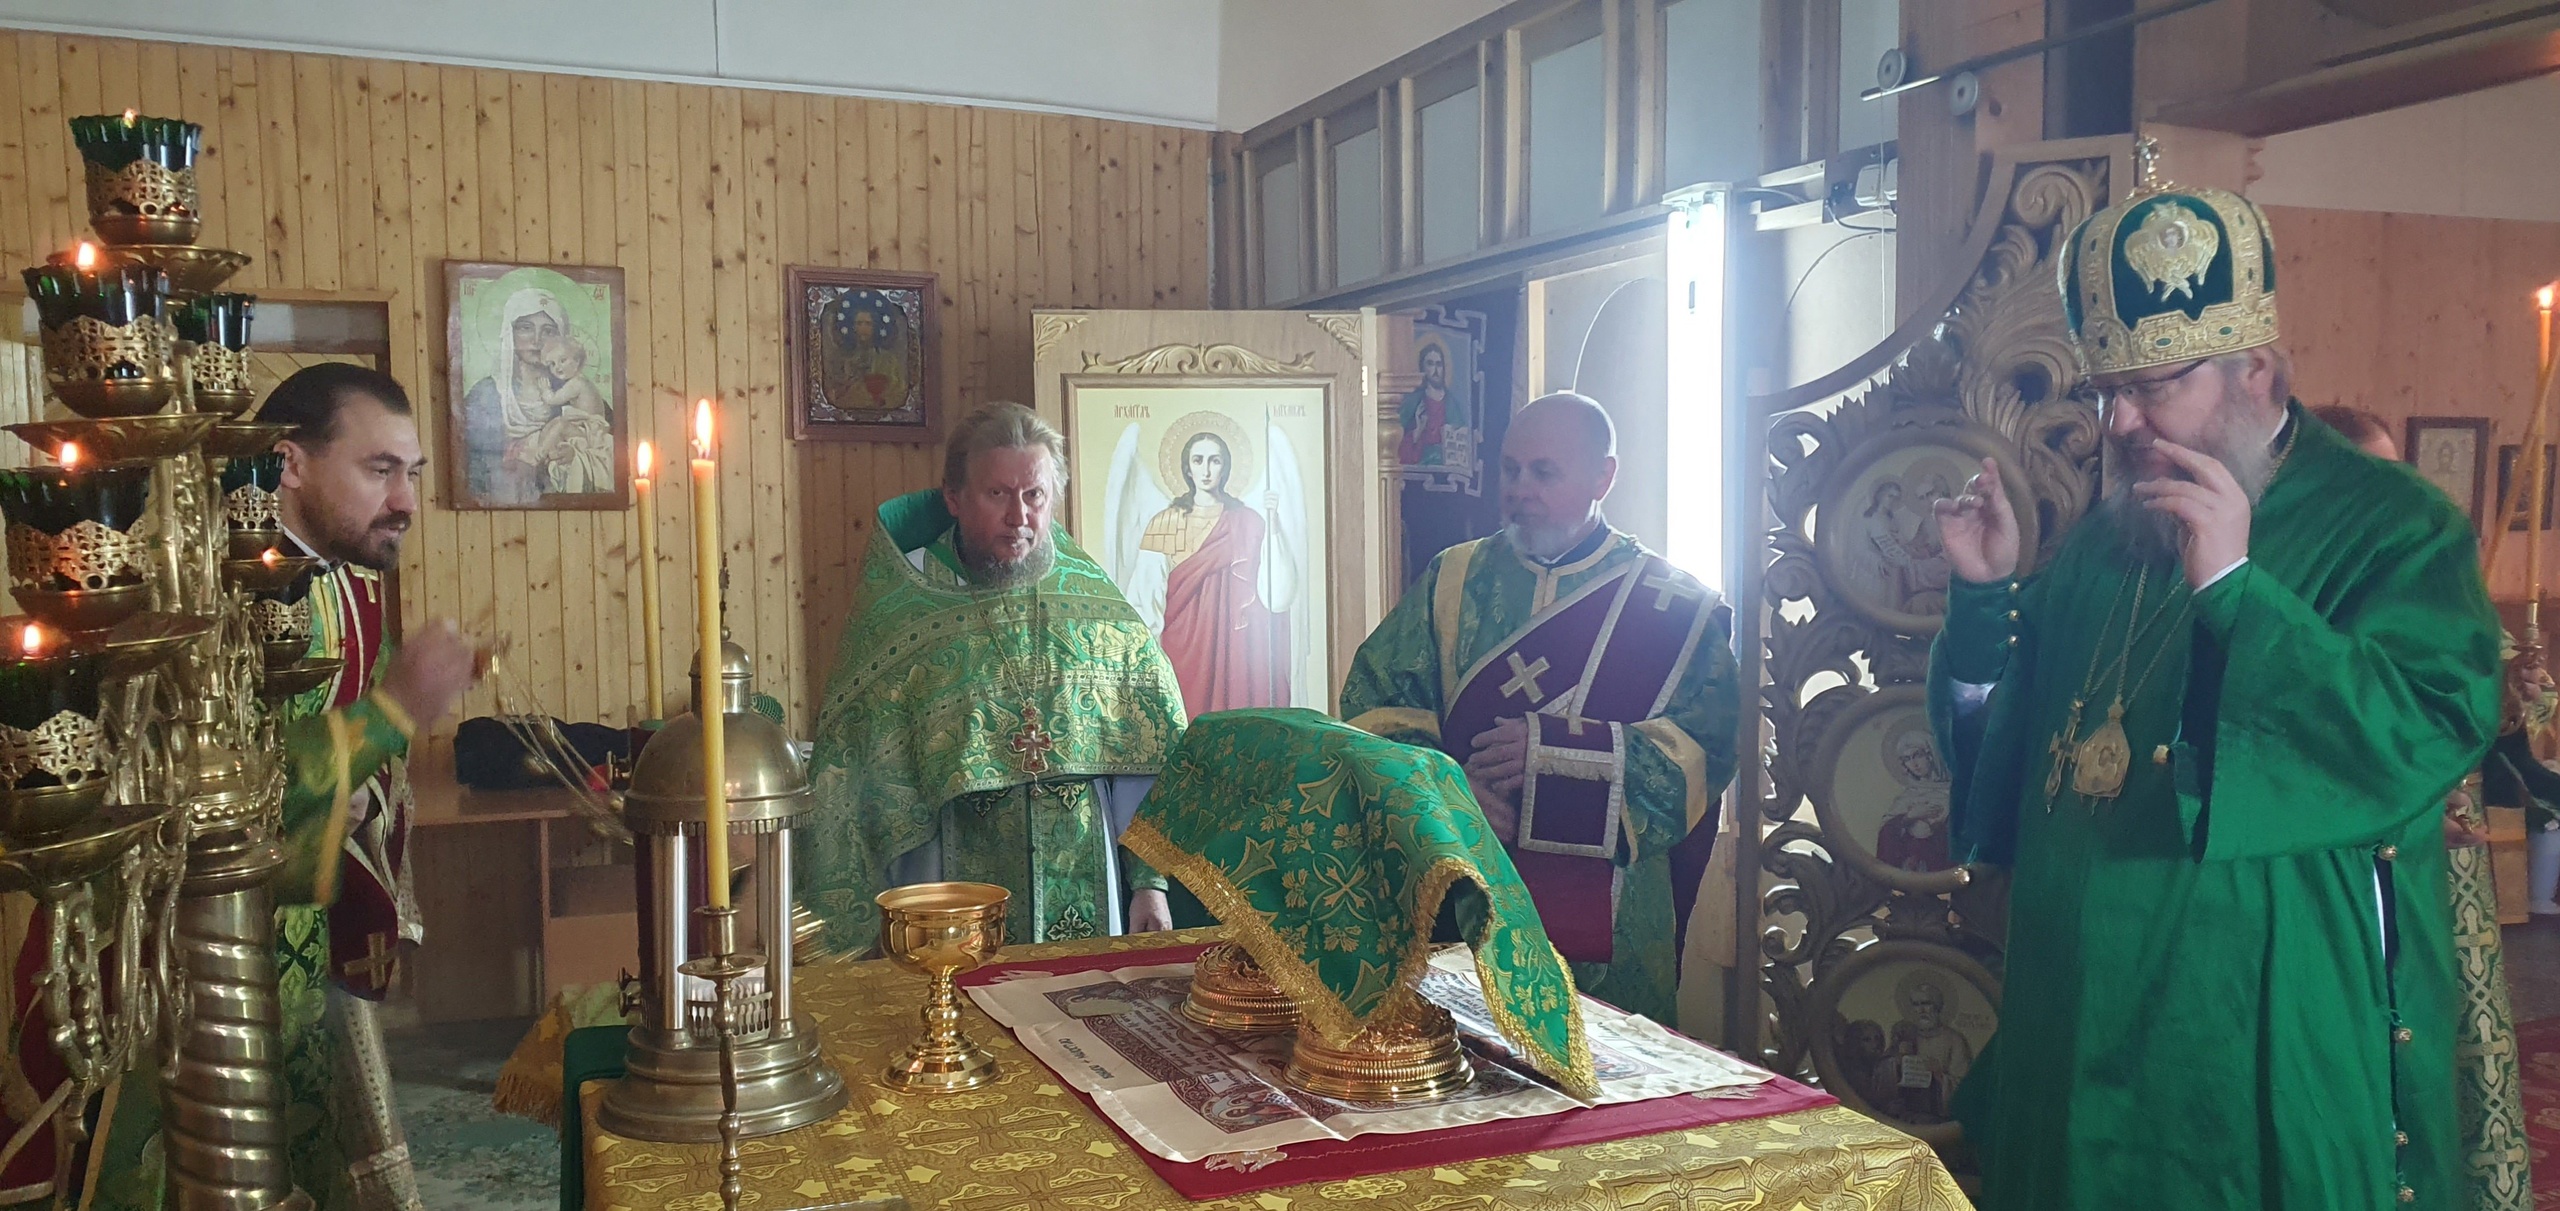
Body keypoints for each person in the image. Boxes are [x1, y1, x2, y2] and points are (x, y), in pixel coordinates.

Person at [1927, 162, 2500, 1209]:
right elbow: (2020, 748)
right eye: (2107, 391)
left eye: (2154, 387)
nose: (2121, 422)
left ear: (2257, 373)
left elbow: (2426, 725)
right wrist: (1981, 595)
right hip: (2071, 1003)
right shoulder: (2111, 531)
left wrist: (2239, 590)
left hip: (2243, 1016)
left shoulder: (2393, 525)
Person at [90, 364, 483, 1211]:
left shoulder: (347, 579)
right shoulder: (202, 593)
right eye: (380, 469)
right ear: (289, 462)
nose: (406, 500)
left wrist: (369, 774)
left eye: (413, 472)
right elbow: (205, 798)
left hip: (301, 938)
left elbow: (338, 758)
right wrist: (396, 710)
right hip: (189, 961)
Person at [1339, 392, 1741, 1027]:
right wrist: (1451, 792)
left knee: (1606, 1078)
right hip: (1463, 890)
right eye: (1510, 469)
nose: (1519, 488)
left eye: (1543, 472)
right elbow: (1376, 710)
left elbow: (1704, 751)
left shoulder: (1673, 607)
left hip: (1614, 922)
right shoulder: (1453, 579)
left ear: (1603, 477)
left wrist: (1554, 757)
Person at [800, 402, 1188, 952]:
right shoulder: (905, 607)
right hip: (947, 882)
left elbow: (1146, 755)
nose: (1018, 516)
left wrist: (1149, 885)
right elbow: (855, 770)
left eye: (1035, 495)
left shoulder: (1098, 610)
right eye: (998, 494)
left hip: (1087, 873)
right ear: (954, 498)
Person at [1136, 431, 1293, 715]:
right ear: (1187, 468)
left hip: (1236, 654)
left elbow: (1278, 596)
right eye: (1198, 460)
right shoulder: (1165, 522)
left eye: (1215, 461)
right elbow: (1146, 598)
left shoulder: (1249, 521)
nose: (1206, 470)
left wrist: (1274, 525)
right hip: (1183, 651)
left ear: (1225, 467)